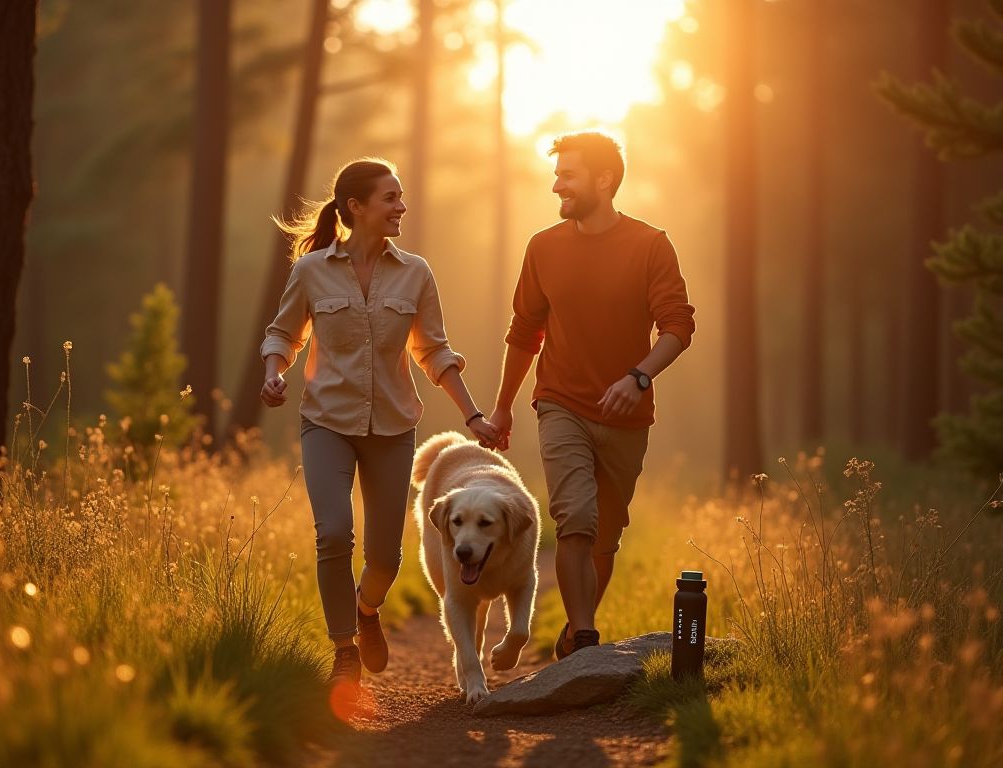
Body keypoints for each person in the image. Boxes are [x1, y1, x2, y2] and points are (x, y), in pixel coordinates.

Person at [260, 158, 499, 684]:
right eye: (390, 198)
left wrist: (474, 416)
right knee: (333, 533)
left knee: (385, 557)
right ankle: (343, 648)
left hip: (392, 428)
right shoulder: (310, 271)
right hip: (326, 422)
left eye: (400, 196)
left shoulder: (416, 273)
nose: (401, 207)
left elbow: (434, 351)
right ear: (356, 207)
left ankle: (368, 611)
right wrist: (275, 371)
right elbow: (283, 334)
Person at [489, 132, 696, 659]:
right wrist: (504, 405)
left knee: (606, 537)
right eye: (556, 174)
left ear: (604, 180)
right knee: (574, 519)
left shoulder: (651, 245)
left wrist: (639, 377)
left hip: (628, 412)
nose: (556, 184)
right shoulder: (544, 247)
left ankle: (575, 632)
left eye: (568, 174)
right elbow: (523, 332)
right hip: (560, 403)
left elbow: (677, 327)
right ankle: (584, 638)